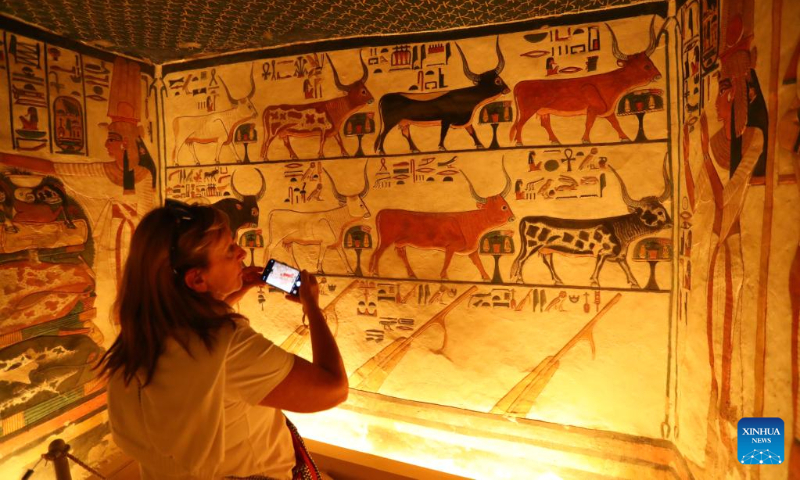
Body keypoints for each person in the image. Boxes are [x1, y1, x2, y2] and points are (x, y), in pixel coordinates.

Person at [97, 200, 348, 479]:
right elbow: (333, 389)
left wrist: (230, 296)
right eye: (229, 250)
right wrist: (312, 307)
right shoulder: (230, 346)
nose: (242, 252)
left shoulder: (143, 330)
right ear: (197, 280)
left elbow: (194, 342)